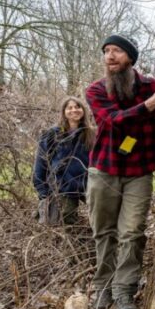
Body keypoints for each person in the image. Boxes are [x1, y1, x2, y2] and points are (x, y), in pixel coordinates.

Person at [85, 35, 155, 309]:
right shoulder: (96, 90)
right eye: (106, 51)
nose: (110, 57)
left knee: (132, 233)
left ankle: (124, 290)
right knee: (104, 232)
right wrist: (149, 106)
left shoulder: (152, 87)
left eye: (117, 51)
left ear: (131, 58)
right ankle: (103, 286)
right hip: (104, 171)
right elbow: (113, 120)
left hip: (139, 172)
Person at [32, 97, 94, 227]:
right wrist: (42, 191)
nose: (74, 110)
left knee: (104, 215)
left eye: (77, 107)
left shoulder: (92, 133)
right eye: (69, 108)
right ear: (64, 112)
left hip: (89, 185)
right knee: (64, 222)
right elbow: (41, 163)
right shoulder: (52, 134)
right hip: (63, 186)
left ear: (83, 110)